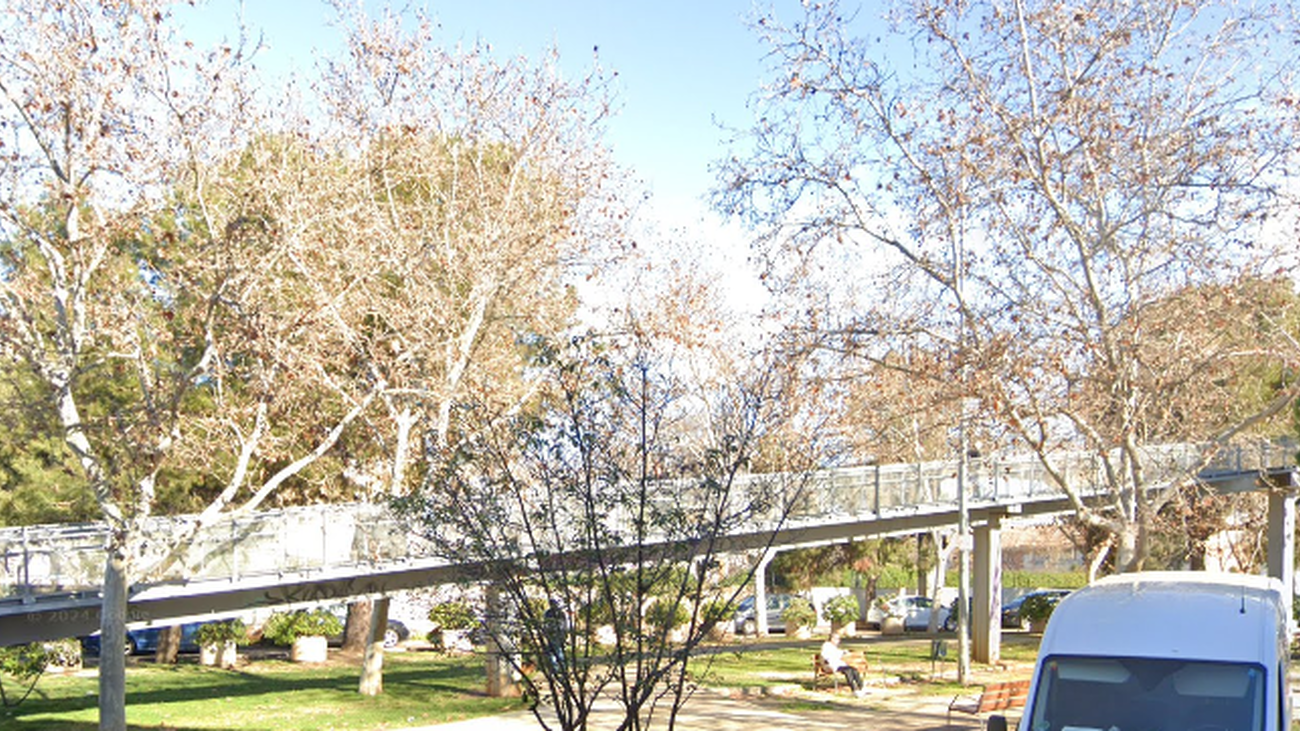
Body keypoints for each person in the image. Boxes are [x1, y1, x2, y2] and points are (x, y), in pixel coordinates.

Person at [820, 630, 867, 696]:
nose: (838, 641)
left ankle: (861, 687)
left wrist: (844, 652)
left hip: (838, 664)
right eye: (836, 639)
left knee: (853, 670)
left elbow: (838, 653)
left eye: (839, 639)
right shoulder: (826, 646)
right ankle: (854, 689)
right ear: (832, 639)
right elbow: (826, 656)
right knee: (848, 670)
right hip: (831, 665)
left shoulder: (833, 647)